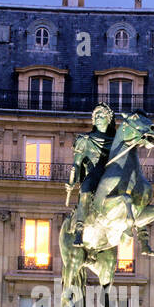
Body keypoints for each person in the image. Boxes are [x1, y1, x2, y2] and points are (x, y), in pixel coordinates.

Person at [64, 103, 114, 246]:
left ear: (109, 119)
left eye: (101, 115)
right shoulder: (85, 140)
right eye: (96, 115)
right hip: (94, 173)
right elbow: (77, 164)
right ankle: (79, 229)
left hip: (111, 174)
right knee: (85, 190)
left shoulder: (116, 142)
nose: (98, 117)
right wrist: (72, 182)